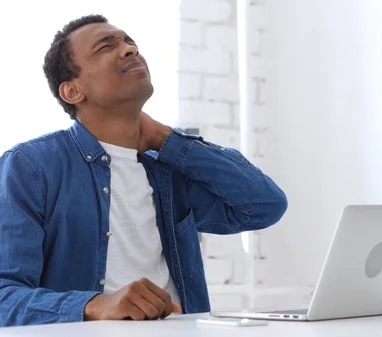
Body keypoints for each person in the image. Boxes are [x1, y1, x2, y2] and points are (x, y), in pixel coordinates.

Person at [0, 14, 287, 327]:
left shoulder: (169, 167)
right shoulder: (30, 166)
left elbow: (265, 206)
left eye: (129, 42)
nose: (129, 50)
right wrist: (95, 305)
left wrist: (167, 139)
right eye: (105, 47)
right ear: (73, 91)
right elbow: (5, 297)